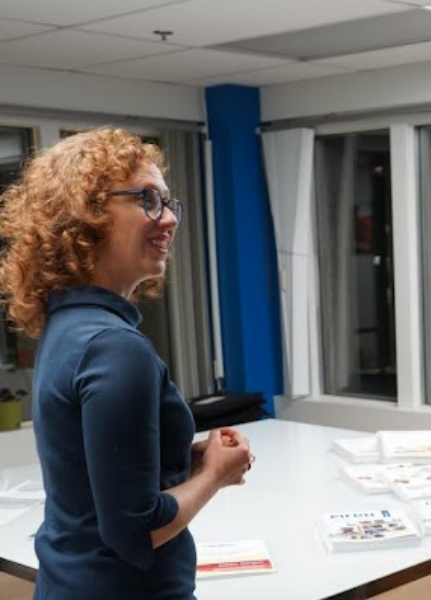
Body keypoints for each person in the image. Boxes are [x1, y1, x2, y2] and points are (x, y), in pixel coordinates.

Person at [0, 128, 254, 600]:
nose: (169, 219)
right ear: (86, 216)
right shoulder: (115, 347)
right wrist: (215, 475)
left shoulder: (67, 326)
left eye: (168, 203)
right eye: (148, 200)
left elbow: (90, 473)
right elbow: (136, 532)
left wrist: (189, 457)